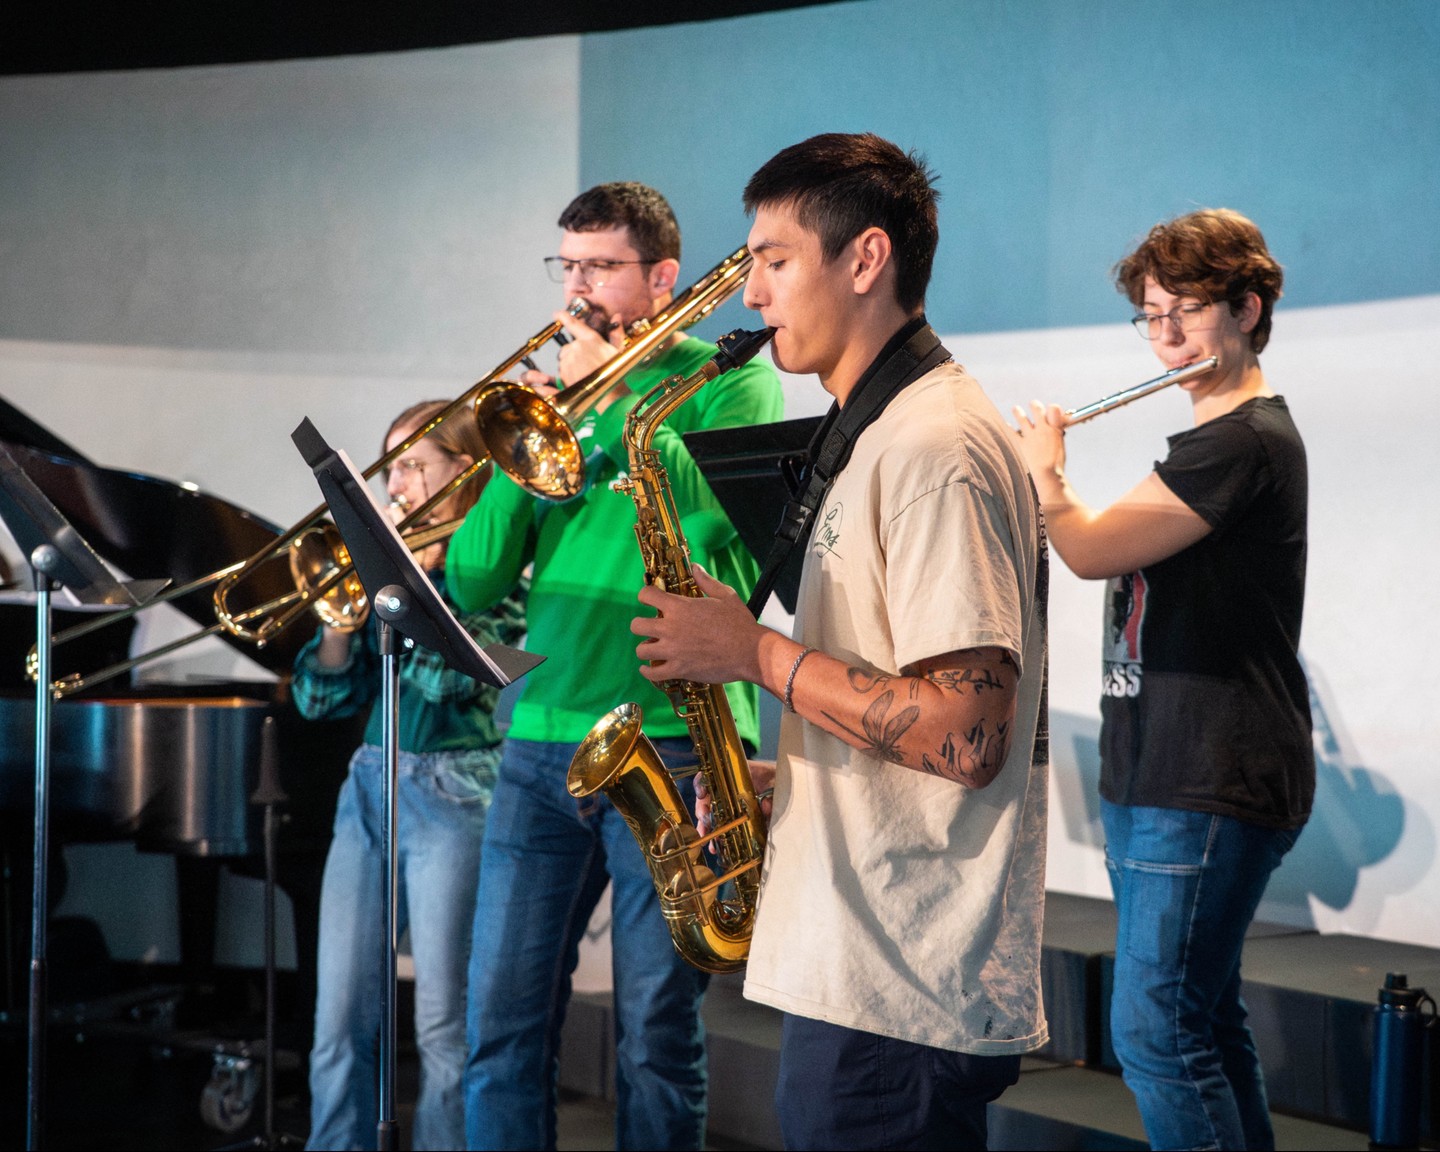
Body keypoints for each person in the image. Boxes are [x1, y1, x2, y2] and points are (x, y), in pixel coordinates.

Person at [628, 134, 1049, 1151]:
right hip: (872, 976)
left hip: (900, 987)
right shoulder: (885, 429)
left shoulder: (932, 447)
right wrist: (801, 776)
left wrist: (756, 654)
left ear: (864, 260)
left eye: (773, 261)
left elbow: (966, 732)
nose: (752, 296)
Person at [446, 181, 784, 1151]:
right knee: (500, 1031)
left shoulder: (728, 371)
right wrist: (529, 439)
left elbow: (719, 519)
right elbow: (470, 582)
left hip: (672, 738)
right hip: (538, 742)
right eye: (568, 266)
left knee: (654, 1037)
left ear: (662, 277)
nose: (578, 288)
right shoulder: (559, 395)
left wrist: (615, 392)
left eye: (600, 266)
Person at [1011, 208, 1311, 1151]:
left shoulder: (1243, 440)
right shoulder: (1208, 445)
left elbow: (1092, 548)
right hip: (1161, 765)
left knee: (1153, 1030)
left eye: (1187, 310)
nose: (1166, 335)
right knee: (1202, 1022)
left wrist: (1047, 478)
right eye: (1151, 315)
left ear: (1247, 308)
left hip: (1208, 772)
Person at [294, 400, 526, 1151]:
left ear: (466, 476)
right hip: (369, 782)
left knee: (442, 1025)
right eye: (390, 469)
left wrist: (422, 593)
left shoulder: (495, 568)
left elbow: (457, 684)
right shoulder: (386, 570)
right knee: (337, 1019)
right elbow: (320, 700)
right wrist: (337, 629)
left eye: (413, 467)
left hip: (455, 789)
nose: (395, 487)